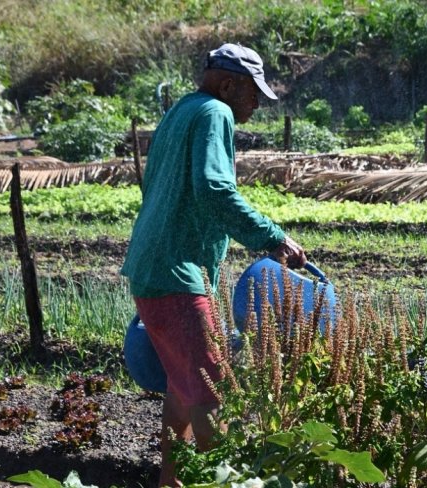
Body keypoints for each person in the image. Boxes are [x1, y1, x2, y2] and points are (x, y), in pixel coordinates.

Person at [120, 43, 307, 488]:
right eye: (253, 93)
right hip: (178, 273)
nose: (257, 104)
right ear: (228, 84)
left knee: (183, 385)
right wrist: (272, 237)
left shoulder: (182, 110)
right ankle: (222, 481)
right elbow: (215, 190)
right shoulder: (214, 114)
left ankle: (171, 480)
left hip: (155, 266)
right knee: (211, 388)